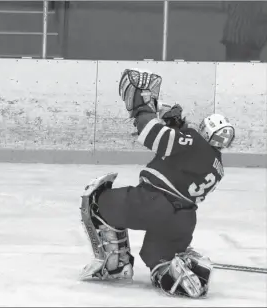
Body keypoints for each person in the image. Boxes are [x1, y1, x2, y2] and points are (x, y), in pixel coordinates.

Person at [79, 68, 236, 298]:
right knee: (159, 262)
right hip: (183, 220)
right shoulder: (217, 165)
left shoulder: (194, 141)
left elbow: (154, 136)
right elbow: (182, 156)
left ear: (205, 130)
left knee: (97, 199)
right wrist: (177, 125)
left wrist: (143, 108)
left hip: (153, 203)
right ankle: (178, 272)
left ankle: (114, 265)